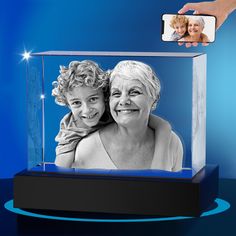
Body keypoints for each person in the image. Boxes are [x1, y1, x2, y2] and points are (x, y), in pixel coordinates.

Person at [52, 60, 172, 168]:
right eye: (76, 103)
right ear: (68, 105)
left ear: (105, 97)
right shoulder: (72, 129)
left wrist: (164, 131)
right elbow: (61, 168)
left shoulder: (115, 109)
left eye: (93, 99)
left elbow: (159, 124)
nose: (87, 110)